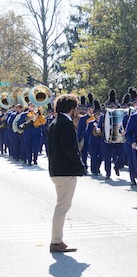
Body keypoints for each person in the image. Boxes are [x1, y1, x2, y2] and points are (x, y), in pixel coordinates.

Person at [47, 94, 86, 252]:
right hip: (65, 171)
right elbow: (70, 149)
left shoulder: (55, 122)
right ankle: (56, 241)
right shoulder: (66, 124)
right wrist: (80, 165)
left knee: (61, 205)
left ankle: (56, 240)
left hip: (57, 170)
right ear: (72, 109)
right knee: (62, 207)